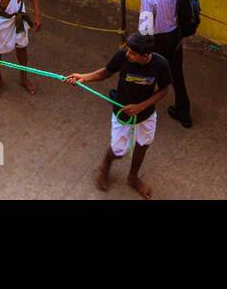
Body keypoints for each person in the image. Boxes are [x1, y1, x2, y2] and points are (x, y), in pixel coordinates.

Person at [65, 31, 172, 199]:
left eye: (132, 53)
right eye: (128, 50)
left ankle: (133, 177)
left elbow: (164, 89)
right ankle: (105, 166)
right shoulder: (122, 56)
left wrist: (140, 107)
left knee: (143, 144)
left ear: (145, 56)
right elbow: (107, 72)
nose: (127, 54)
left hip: (147, 114)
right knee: (118, 150)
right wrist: (84, 77)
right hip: (121, 111)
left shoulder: (161, 64)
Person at [138, 0, 198, 128]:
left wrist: (141, 47)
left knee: (147, 72)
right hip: (176, 34)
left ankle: (138, 107)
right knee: (177, 74)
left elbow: (146, 27)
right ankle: (183, 112)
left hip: (158, 39)